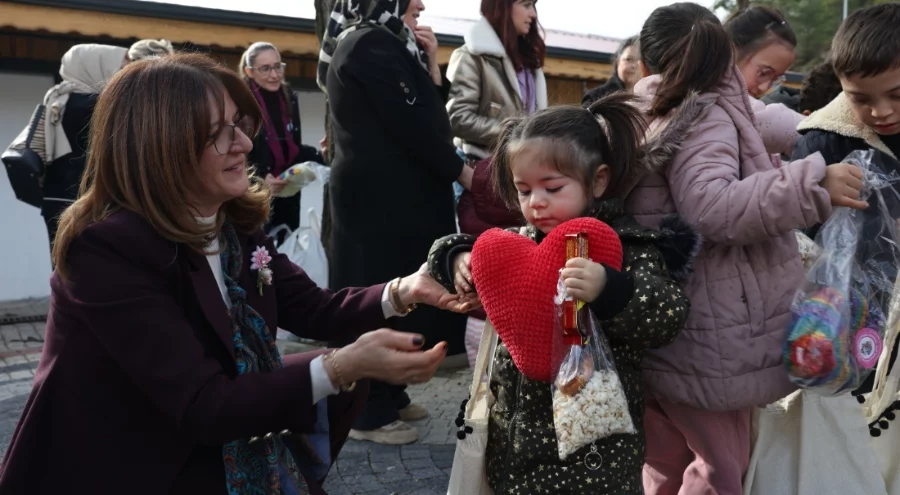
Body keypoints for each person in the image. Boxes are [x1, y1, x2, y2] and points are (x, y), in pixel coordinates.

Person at [0, 53, 477, 494]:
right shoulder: (106, 249)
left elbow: (313, 308)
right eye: (219, 133)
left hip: (206, 444)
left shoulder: (228, 224)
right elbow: (203, 403)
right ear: (160, 146)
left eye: (239, 125)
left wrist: (404, 290)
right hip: (125, 466)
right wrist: (341, 366)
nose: (246, 143)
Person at [627, 4, 868, 494]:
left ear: (648, 64)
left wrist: (819, 129)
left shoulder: (643, 111)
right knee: (721, 467)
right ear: (725, 59)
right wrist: (813, 183)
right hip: (709, 333)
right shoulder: (700, 114)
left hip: (659, 320)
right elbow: (712, 205)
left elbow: (762, 124)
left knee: (666, 459)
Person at [428, 94, 695, 494]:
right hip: (512, 444)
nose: (535, 203)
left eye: (552, 188)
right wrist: (455, 258)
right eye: (523, 190)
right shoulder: (518, 244)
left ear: (598, 180)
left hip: (595, 453)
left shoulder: (628, 246)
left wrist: (610, 288)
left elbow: (668, 313)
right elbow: (454, 248)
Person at [318, 0, 471, 445]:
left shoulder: (382, 43)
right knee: (381, 293)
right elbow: (415, 125)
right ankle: (368, 409)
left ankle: (390, 391)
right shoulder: (370, 44)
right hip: (380, 204)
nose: (420, 5)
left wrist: (433, 67)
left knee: (398, 292)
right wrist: (462, 172)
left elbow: (424, 115)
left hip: (389, 201)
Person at [791, 3, 900, 396]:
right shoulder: (823, 142)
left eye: (897, 94)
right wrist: (816, 191)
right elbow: (794, 244)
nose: (881, 111)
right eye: (861, 99)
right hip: (849, 328)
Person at [40, 43, 127, 254]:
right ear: (98, 66)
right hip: (86, 198)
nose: (125, 72)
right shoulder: (96, 104)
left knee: (64, 263)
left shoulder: (58, 98)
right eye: (121, 66)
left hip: (55, 194)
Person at [239, 42, 323, 244]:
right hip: (255, 194)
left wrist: (322, 155)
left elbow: (294, 146)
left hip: (288, 192)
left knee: (285, 252)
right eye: (266, 69)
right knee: (257, 257)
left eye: (278, 66)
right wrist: (258, 179)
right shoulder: (242, 102)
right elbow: (236, 153)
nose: (275, 74)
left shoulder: (289, 97)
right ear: (249, 72)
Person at [725, 5, 806, 157]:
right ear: (731, 52)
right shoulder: (714, 99)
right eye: (763, 73)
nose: (765, 88)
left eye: (775, 79)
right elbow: (767, 118)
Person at [581, 36, 641, 107]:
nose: (634, 65)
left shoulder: (652, 98)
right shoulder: (595, 98)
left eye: (640, 60)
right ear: (617, 62)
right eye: (629, 59)